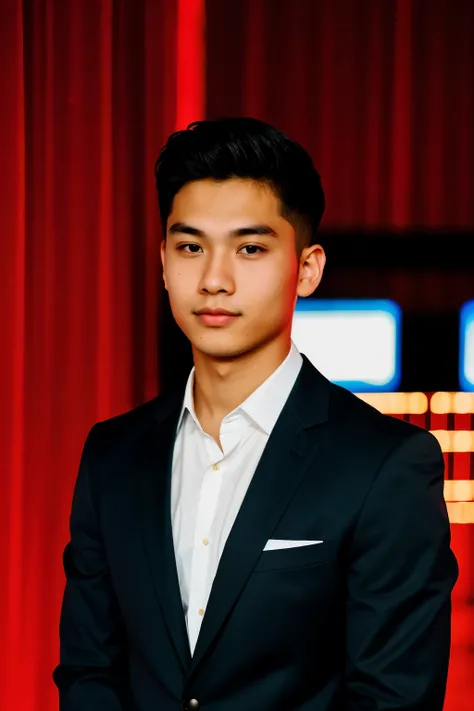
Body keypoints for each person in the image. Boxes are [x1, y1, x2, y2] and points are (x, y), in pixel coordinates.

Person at [53, 117, 458, 711]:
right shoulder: (114, 454)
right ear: (164, 262)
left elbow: (393, 696)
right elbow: (90, 673)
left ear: (308, 268)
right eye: (190, 247)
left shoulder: (385, 464)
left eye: (249, 248)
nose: (214, 280)